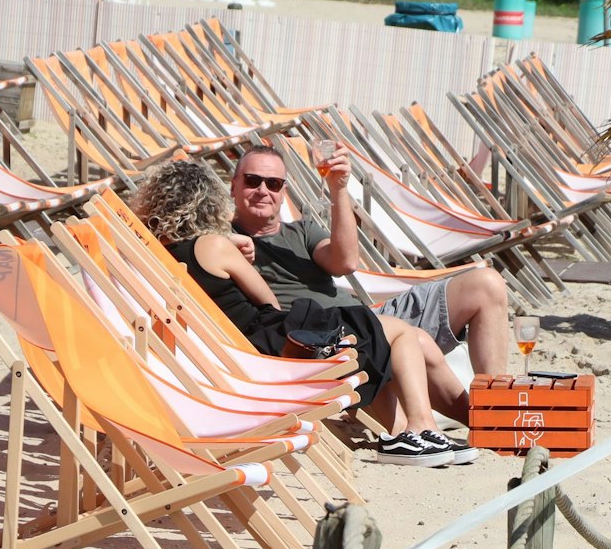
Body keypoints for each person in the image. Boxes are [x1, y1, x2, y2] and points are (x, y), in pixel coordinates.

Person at [132, 158, 474, 467]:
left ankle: (406, 432)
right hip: (274, 349)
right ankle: (420, 428)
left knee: (374, 333)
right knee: (398, 330)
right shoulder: (216, 245)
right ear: (210, 201)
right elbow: (267, 302)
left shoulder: (161, 256)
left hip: (237, 356)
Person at [228, 141, 514, 378]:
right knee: (417, 340)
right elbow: (191, 247)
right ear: (233, 186)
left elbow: (346, 262)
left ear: (283, 192)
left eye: (274, 183)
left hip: (367, 318)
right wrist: (227, 241)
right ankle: (486, 422)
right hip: (334, 338)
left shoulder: (301, 231)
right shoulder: (222, 244)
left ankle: (495, 406)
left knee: (487, 283)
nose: (263, 190)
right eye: (253, 181)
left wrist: (339, 189)